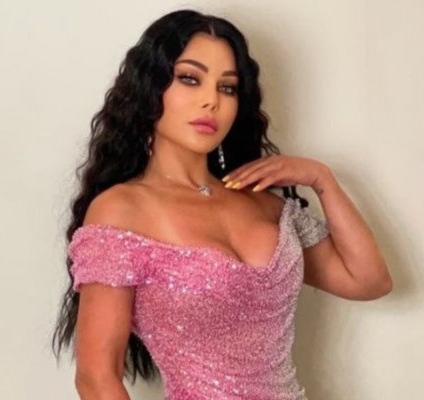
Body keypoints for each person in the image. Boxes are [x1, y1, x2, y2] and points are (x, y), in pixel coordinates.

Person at [51, 9, 393, 400]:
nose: (210, 101)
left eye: (227, 88)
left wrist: (323, 180)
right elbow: (96, 378)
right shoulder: (121, 211)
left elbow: (369, 281)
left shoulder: (265, 205)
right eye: (190, 79)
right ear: (150, 88)